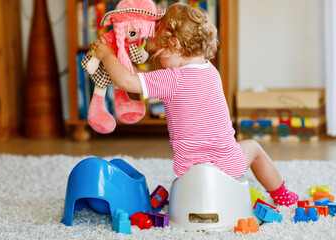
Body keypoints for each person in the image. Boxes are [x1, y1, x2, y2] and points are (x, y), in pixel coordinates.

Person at [88, 3, 298, 206]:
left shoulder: (172, 78)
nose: (158, 60)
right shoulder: (211, 71)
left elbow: (126, 81)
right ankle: (282, 194)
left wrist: (107, 55)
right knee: (254, 148)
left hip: (190, 172)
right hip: (229, 165)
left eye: (160, 52)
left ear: (174, 45)